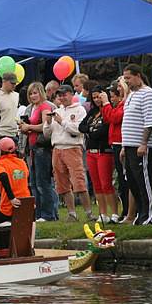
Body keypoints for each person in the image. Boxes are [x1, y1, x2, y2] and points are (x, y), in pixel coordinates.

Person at [43, 84, 94, 222]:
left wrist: (62, 121)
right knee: (62, 183)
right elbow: (47, 134)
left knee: (79, 181)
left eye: (65, 94)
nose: (62, 97)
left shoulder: (79, 110)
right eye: (59, 95)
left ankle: (89, 213)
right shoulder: (56, 110)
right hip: (57, 148)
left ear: (72, 95)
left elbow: (79, 129)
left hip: (72, 147)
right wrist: (48, 123)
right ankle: (72, 213)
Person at [121, 64, 152, 226]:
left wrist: (143, 143)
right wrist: (124, 146)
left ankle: (150, 215)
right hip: (129, 144)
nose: (127, 82)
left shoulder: (148, 94)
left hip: (140, 146)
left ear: (138, 76)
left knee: (144, 180)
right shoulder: (131, 95)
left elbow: (149, 121)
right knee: (132, 181)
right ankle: (141, 213)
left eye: (128, 78)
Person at [79, 86, 119, 224]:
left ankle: (114, 212)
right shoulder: (92, 112)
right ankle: (103, 212)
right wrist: (91, 129)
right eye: (94, 97)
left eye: (99, 97)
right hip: (91, 152)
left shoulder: (107, 110)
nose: (96, 100)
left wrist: (91, 131)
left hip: (104, 151)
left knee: (106, 183)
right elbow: (81, 126)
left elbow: (103, 131)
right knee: (96, 185)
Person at [19, 82, 57, 222]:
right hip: (32, 148)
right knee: (34, 184)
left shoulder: (45, 106)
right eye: (30, 93)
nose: (33, 95)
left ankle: (48, 214)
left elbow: (46, 126)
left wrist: (29, 126)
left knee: (43, 183)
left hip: (42, 148)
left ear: (41, 92)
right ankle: (39, 214)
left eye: (35, 92)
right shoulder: (31, 108)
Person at [101, 81, 129, 221]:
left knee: (125, 180)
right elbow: (107, 118)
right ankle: (126, 210)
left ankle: (128, 210)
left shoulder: (124, 105)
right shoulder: (116, 106)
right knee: (120, 180)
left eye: (113, 96)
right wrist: (106, 106)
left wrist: (106, 104)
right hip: (115, 144)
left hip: (122, 143)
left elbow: (115, 118)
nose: (111, 99)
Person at [0, 72, 20, 140]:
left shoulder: (17, 95)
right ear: (4, 81)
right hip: (2, 134)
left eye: (15, 83)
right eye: (12, 83)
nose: (14, 85)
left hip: (16, 133)